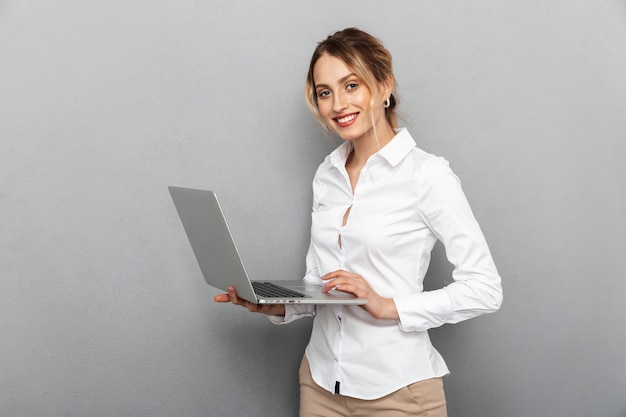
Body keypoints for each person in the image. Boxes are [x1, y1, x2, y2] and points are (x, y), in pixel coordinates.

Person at [214, 27, 503, 417]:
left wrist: (387, 305)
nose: (337, 104)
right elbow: (321, 283)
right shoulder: (326, 174)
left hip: (398, 392)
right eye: (325, 92)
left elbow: (485, 289)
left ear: (384, 87)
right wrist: (277, 307)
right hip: (319, 383)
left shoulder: (428, 175)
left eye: (352, 85)